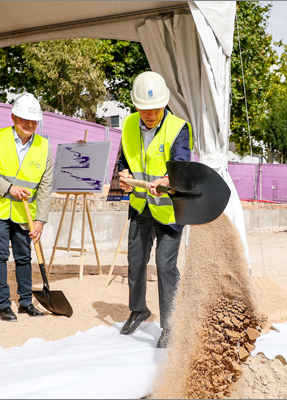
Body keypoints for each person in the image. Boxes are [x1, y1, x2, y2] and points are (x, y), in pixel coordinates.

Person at [117, 71, 193, 348]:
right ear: (136, 106)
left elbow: (182, 165)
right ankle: (138, 310)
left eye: (156, 108)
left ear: (165, 103)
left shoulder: (179, 128)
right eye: (145, 109)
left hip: (170, 210)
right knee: (136, 263)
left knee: (165, 265)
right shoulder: (127, 125)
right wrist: (123, 176)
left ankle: (171, 324)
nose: (150, 114)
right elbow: (122, 160)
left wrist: (166, 180)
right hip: (140, 205)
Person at [0, 93, 53, 322]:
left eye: (33, 121)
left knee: (23, 256)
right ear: (13, 117)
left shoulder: (44, 146)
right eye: (24, 120)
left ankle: (26, 302)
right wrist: (8, 188)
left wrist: (41, 220)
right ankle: (3, 304)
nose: (29, 125)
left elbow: (45, 187)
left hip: (23, 213)